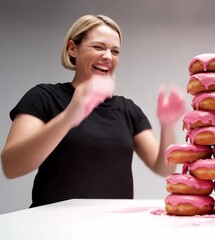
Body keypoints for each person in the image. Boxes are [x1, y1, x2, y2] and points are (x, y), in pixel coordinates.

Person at [0, 15, 186, 208]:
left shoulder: (127, 109)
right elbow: (11, 166)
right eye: (98, 47)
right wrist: (69, 116)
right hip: (54, 229)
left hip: (111, 228)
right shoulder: (43, 97)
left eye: (115, 51)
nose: (108, 56)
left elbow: (164, 168)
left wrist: (167, 124)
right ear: (73, 49)